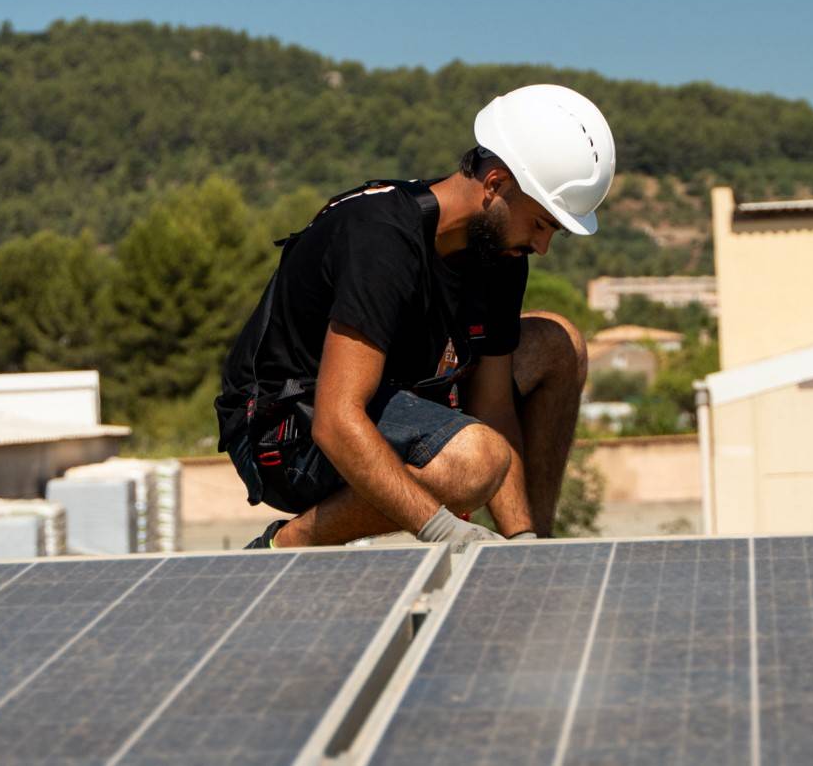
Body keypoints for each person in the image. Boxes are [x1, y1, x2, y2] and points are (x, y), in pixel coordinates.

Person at [214, 84, 615, 549]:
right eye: (541, 223)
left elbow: (493, 406)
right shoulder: (381, 237)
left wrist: (521, 539)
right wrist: (443, 528)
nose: (542, 246)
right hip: (287, 435)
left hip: (394, 396)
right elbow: (336, 420)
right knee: (474, 460)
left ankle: (536, 546)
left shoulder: (500, 252)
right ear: (495, 184)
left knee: (558, 344)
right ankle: (286, 545)